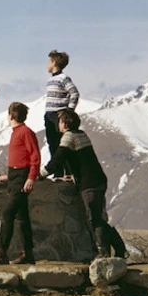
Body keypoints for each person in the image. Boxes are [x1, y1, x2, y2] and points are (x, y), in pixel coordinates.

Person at [39, 109, 128, 259]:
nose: (58, 125)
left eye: (60, 121)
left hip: (89, 183)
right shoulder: (81, 134)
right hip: (98, 179)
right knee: (97, 216)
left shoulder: (69, 137)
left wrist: (41, 174)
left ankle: (104, 253)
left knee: (94, 218)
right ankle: (119, 248)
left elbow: (58, 159)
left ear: (65, 124)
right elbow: (79, 158)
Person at [0, 102, 40, 265]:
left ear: (10, 116)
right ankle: (28, 255)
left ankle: (1, 252)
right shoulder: (16, 132)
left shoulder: (25, 132)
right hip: (15, 176)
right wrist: (9, 176)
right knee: (22, 218)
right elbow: (20, 157)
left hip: (22, 178)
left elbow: (34, 157)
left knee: (8, 213)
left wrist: (30, 178)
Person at [44, 50, 80, 178]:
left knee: (62, 144)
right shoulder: (51, 79)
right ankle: (57, 172)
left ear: (54, 62)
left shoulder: (63, 78)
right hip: (49, 115)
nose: (47, 64)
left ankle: (69, 172)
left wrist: (69, 112)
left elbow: (74, 93)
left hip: (58, 115)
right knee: (52, 143)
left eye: (49, 61)